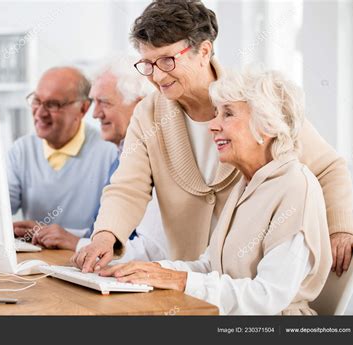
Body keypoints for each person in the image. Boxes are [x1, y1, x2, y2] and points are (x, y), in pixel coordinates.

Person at [72, 0, 353, 276]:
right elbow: (127, 186)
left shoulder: (253, 98)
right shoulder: (148, 114)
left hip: (249, 282)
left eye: (167, 61)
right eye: (148, 64)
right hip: (187, 279)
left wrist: (340, 228)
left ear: (204, 51)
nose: (157, 76)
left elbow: (328, 168)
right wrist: (105, 235)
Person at [99, 69, 332, 315]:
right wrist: (152, 270)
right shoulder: (246, 185)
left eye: (228, 114)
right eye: (216, 113)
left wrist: (179, 281)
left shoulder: (295, 186)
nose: (212, 125)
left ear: (267, 125)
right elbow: (211, 266)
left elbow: (267, 297)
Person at [30, 59, 169, 262]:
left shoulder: (155, 159)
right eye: (94, 102)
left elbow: (150, 251)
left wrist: (76, 243)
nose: (94, 114)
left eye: (104, 102)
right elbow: (112, 234)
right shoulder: (121, 153)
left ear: (140, 105)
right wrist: (61, 235)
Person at [7, 66, 117, 246]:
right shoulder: (21, 150)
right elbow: (0, 208)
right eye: (36, 100)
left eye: (52, 104)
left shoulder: (110, 152)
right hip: (34, 264)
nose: (40, 113)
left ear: (83, 108)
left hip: (85, 262)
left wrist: (71, 238)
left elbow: (119, 232)